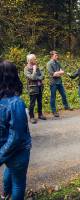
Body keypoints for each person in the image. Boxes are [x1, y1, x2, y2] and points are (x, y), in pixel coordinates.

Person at [0, 61, 31, 200]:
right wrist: (2, 154)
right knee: (18, 183)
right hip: (17, 150)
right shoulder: (16, 102)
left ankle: (5, 194)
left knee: (9, 169)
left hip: (5, 149)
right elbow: (17, 136)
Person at [47, 50, 72, 117]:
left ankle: (66, 106)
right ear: (52, 56)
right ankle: (54, 111)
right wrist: (59, 73)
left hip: (59, 82)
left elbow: (63, 71)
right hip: (53, 83)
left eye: (57, 55)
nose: (57, 57)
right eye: (56, 55)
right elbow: (53, 74)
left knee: (63, 95)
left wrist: (58, 73)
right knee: (53, 97)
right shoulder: (49, 64)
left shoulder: (58, 62)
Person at [24, 54, 46, 124]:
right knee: (32, 103)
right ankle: (31, 117)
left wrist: (37, 77)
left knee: (40, 102)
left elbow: (42, 76)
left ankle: (40, 114)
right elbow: (32, 78)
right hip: (32, 88)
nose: (36, 60)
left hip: (39, 87)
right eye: (34, 59)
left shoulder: (37, 66)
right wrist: (34, 70)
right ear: (30, 60)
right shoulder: (26, 68)